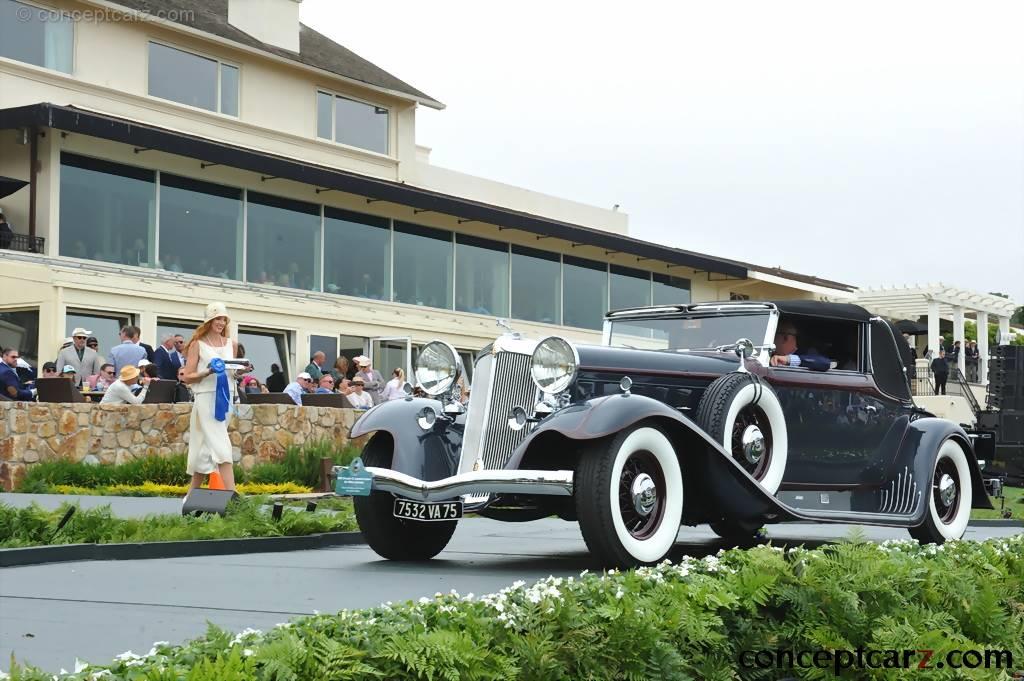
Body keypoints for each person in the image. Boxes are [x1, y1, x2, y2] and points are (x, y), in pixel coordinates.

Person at [182, 302, 239, 492]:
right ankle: (233, 496)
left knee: (206, 450)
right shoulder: (197, 345)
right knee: (222, 446)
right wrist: (207, 372)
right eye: (217, 318)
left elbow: (232, 372)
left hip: (226, 398)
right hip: (206, 399)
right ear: (209, 321)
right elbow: (187, 377)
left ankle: (190, 497)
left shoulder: (232, 344)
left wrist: (241, 371)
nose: (221, 322)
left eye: (223, 318)